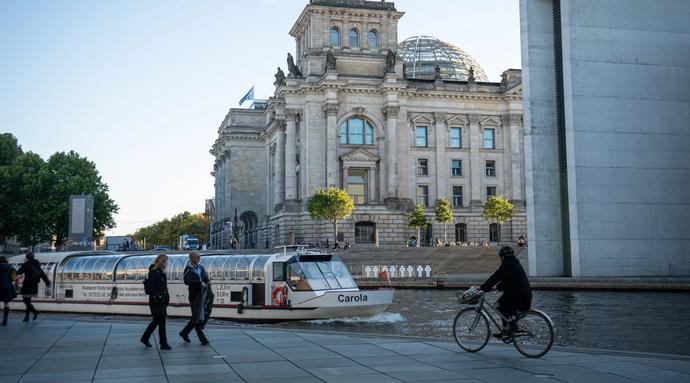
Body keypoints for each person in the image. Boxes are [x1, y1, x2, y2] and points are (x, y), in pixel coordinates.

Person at [477, 246, 532, 338]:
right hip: (526, 295)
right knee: (507, 309)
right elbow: (509, 280)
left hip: (516, 295)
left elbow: (495, 277)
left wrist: (483, 287)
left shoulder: (506, 264)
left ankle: (510, 329)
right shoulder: (515, 263)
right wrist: (496, 288)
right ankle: (509, 329)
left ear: (502, 257)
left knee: (498, 306)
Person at [140, 254, 171, 350]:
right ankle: (163, 343)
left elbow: (163, 287)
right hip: (156, 301)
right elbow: (151, 288)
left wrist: (165, 297)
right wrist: (159, 296)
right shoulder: (154, 273)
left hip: (161, 300)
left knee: (157, 321)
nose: (167, 263)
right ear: (161, 262)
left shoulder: (161, 272)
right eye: (165, 261)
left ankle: (145, 338)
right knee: (160, 321)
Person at [179, 251, 210, 345]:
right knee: (196, 317)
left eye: (199, 257)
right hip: (194, 295)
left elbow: (205, 277)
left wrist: (208, 281)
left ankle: (184, 333)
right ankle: (202, 339)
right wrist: (199, 283)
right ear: (191, 258)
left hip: (202, 294)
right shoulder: (188, 269)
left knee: (196, 316)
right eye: (197, 257)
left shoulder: (200, 267)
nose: (199, 259)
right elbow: (186, 281)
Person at [17, 252, 50, 322]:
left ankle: (34, 312)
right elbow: (42, 274)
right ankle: (27, 316)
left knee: (26, 300)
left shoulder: (26, 264)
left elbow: (19, 272)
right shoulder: (37, 264)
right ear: (33, 257)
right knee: (28, 301)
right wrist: (47, 282)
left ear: (27, 257)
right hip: (34, 284)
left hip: (27, 284)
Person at [0, 256, 17, 326]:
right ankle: (5, 320)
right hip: (8, 286)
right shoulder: (10, 267)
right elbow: (14, 277)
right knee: (6, 303)